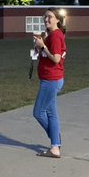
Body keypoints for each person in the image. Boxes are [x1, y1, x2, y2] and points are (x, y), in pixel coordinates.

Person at [33, 8, 67, 158]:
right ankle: (55, 146)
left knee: (38, 112)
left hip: (51, 80)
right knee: (51, 113)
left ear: (57, 20)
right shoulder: (50, 35)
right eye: (45, 17)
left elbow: (56, 59)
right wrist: (38, 46)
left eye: (50, 17)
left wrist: (43, 46)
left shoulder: (56, 36)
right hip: (49, 79)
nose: (46, 19)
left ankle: (55, 141)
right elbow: (39, 56)